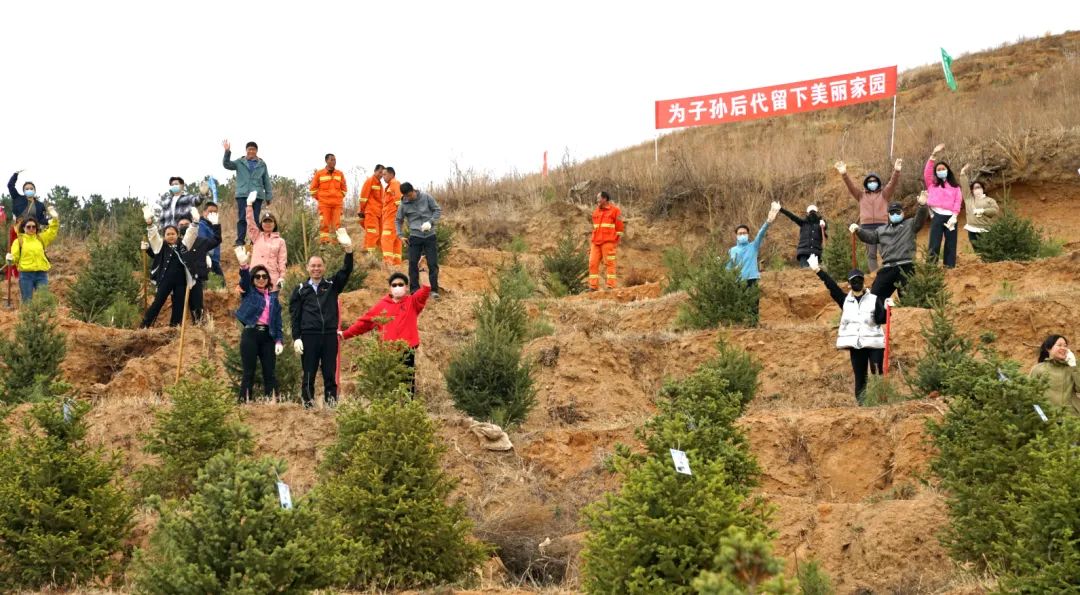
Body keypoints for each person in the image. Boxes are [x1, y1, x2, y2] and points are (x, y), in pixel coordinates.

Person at [806, 254, 888, 404]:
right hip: (856, 345)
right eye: (854, 280)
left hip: (875, 343)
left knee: (877, 373)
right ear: (849, 284)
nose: (857, 282)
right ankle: (862, 405)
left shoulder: (874, 299)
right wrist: (818, 270)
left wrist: (887, 309)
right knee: (860, 377)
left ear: (863, 281)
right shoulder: (844, 300)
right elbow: (832, 286)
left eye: (859, 279)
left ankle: (880, 403)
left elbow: (881, 320)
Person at [289, 228, 354, 409]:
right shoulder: (300, 289)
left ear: (324, 268)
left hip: (329, 336)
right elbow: (295, 316)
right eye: (313, 266)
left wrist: (349, 251)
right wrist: (296, 338)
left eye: (319, 265)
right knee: (308, 373)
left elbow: (346, 270)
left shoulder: (332, 285)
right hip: (309, 336)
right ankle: (308, 406)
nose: (316, 268)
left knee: (329, 373)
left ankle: (331, 405)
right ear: (307, 268)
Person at [342, 272, 431, 395]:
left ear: (406, 287)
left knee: (407, 387)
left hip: (407, 352)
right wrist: (345, 334)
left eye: (401, 284)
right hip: (387, 355)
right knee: (388, 388)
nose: (397, 287)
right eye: (394, 285)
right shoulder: (381, 306)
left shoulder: (412, 302)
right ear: (390, 287)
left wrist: (422, 270)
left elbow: (426, 289)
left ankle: (407, 406)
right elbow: (363, 324)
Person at [851, 192, 929, 301]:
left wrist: (922, 206)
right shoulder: (881, 230)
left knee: (908, 299)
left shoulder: (910, 224)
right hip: (888, 268)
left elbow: (920, 218)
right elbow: (870, 238)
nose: (894, 214)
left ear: (903, 212)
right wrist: (858, 230)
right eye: (892, 212)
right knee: (874, 298)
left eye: (897, 212)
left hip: (906, 267)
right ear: (888, 214)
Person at [835, 159, 902, 272]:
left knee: (885, 252)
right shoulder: (860, 195)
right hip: (867, 228)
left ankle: (889, 273)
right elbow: (851, 187)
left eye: (874, 181)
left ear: (878, 182)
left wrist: (896, 171)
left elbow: (892, 183)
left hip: (882, 227)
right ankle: (874, 275)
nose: (872, 183)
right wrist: (844, 174)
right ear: (866, 183)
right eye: (870, 181)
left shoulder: (884, 194)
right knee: (871, 254)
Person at [234, 253, 284, 403]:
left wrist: (279, 341)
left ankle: (271, 402)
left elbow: (278, 322)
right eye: (257, 276)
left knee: (270, 372)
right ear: (253, 279)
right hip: (251, 334)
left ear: (268, 279)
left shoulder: (273, 299)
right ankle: (244, 402)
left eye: (264, 276)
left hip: (268, 336)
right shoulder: (249, 292)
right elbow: (244, 281)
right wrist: (244, 266)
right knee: (249, 371)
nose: (261, 279)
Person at [141, 206, 200, 328]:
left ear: (177, 235)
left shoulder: (183, 245)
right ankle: (144, 326)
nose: (171, 236)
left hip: (181, 281)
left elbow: (190, 235)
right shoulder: (161, 245)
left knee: (179, 305)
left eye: (173, 234)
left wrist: (195, 223)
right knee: (158, 302)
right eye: (168, 234)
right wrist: (150, 224)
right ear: (164, 236)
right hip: (165, 280)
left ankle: (174, 328)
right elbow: (154, 236)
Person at [222, 140, 272, 246]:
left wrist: (268, 196)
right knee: (242, 217)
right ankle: (240, 240)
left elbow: (266, 181)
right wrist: (227, 152)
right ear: (246, 150)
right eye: (249, 149)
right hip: (243, 194)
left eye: (253, 149)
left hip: (257, 195)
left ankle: (255, 240)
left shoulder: (262, 164)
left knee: (255, 218)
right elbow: (227, 164)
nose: (251, 151)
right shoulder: (240, 162)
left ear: (256, 151)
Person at [396, 182, 442, 297]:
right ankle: (414, 290)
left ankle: (434, 290)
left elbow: (437, 210)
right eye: (406, 196)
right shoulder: (403, 204)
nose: (409, 198)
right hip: (415, 236)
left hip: (430, 235)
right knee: (412, 263)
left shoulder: (426, 197)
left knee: (432, 263)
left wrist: (430, 222)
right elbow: (398, 220)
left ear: (413, 190)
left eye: (410, 195)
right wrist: (400, 235)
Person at [176, 210, 222, 323]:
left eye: (186, 224)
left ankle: (198, 325)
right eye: (181, 225)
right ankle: (176, 326)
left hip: (196, 278)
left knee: (197, 305)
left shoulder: (201, 241)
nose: (184, 226)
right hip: (179, 280)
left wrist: (215, 225)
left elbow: (216, 240)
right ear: (177, 227)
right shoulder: (176, 243)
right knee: (178, 306)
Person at [6, 206, 59, 302]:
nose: (31, 229)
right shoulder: (19, 241)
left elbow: (52, 231)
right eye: (28, 227)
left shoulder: (41, 238)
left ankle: (42, 312)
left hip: (41, 274)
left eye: (33, 227)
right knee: (27, 301)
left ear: (36, 228)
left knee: (43, 300)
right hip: (26, 275)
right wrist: (10, 259)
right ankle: (27, 312)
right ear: (23, 228)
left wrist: (55, 219)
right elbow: (15, 258)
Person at [924, 144, 962, 268]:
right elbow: (927, 173)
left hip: (951, 217)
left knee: (951, 242)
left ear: (948, 170)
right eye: (938, 169)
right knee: (934, 242)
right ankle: (931, 267)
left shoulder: (955, 186)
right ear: (936, 172)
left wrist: (954, 216)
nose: (941, 171)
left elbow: (958, 201)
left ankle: (949, 266)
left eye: (943, 169)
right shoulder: (932, 185)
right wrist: (933, 155)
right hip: (937, 216)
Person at [728, 201, 781, 287]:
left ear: (748, 234)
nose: (742, 235)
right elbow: (729, 266)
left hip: (752, 279)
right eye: (740, 233)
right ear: (736, 235)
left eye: (744, 233)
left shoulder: (753, 246)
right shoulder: (732, 250)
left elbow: (760, 234)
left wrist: (768, 222)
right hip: (738, 281)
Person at [241, 193, 287, 288]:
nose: (267, 224)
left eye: (270, 221)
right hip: (256, 278)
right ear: (261, 224)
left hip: (272, 279)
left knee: (271, 298)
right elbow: (250, 222)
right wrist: (249, 205)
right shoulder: (256, 236)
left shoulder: (280, 241)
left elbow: (282, 261)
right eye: (265, 221)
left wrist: (282, 277)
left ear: (274, 224)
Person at [1030, 335, 1079, 416]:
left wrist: (1074, 366)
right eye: (1059, 345)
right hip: (1049, 417)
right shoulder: (1038, 369)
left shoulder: (1073, 367)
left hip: (1072, 417)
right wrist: (1041, 416)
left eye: (1065, 346)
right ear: (1048, 348)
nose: (1063, 348)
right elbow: (1030, 394)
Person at [588, 191, 625, 291]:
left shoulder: (615, 211)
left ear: (605, 199)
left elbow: (620, 228)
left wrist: (615, 241)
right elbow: (595, 229)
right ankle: (593, 287)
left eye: (598, 198)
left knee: (609, 263)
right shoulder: (595, 212)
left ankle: (611, 286)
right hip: (596, 243)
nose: (597, 200)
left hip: (608, 242)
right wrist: (592, 243)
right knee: (592, 263)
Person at [309, 153, 348, 244]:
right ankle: (324, 243)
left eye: (335, 160)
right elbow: (313, 190)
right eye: (332, 160)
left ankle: (336, 243)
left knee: (337, 224)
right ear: (326, 161)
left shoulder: (340, 174)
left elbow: (344, 189)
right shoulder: (319, 174)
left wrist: (339, 197)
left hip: (337, 204)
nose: (334, 162)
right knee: (324, 224)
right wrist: (321, 198)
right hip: (324, 204)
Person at [958, 164, 1000, 248]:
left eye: (979, 187)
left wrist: (983, 211)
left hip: (985, 229)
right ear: (972, 190)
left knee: (987, 249)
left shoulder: (989, 200)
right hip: (972, 229)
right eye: (975, 188)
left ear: (983, 189)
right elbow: (965, 187)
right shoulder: (968, 199)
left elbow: (995, 210)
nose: (977, 189)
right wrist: (962, 173)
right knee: (976, 249)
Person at [778, 203, 828, 268]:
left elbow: (825, 232)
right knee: (806, 272)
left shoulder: (820, 224)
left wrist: (824, 224)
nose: (812, 213)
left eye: (813, 212)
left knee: (815, 272)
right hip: (805, 253)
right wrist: (781, 209)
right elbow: (792, 216)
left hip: (815, 253)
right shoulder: (803, 223)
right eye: (811, 212)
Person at [358, 164, 385, 259]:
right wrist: (362, 210)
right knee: (372, 233)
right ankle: (370, 256)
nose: (381, 175)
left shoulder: (380, 184)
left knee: (380, 234)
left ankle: (377, 255)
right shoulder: (370, 181)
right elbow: (363, 197)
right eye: (380, 172)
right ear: (375, 171)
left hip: (379, 213)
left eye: (383, 173)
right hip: (371, 212)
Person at [381, 166, 403, 268]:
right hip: (391, 218)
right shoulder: (390, 186)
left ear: (391, 174)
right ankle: (397, 264)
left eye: (384, 174)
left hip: (392, 219)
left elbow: (399, 201)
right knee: (396, 241)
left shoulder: (395, 183)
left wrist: (398, 218)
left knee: (386, 239)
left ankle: (388, 263)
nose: (383, 177)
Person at [199, 201, 224, 280]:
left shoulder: (214, 226)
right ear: (204, 212)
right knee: (218, 283)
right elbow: (202, 242)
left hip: (215, 260)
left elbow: (218, 239)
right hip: (208, 260)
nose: (212, 214)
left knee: (220, 283)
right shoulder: (201, 225)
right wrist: (206, 255)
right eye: (210, 212)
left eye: (215, 212)